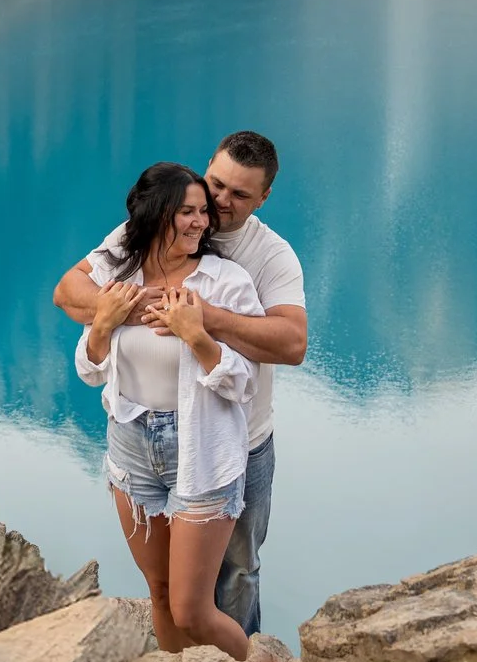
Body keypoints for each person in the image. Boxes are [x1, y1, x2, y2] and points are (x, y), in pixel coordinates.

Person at [56, 131, 305, 634]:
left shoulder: (268, 257)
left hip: (237, 441)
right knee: (167, 587)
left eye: (239, 195)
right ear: (206, 167)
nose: (219, 202)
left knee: (235, 576)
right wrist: (133, 309)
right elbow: (69, 292)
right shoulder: (143, 235)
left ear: (264, 198)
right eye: (216, 184)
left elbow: (291, 344)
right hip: (139, 441)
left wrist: (204, 319)